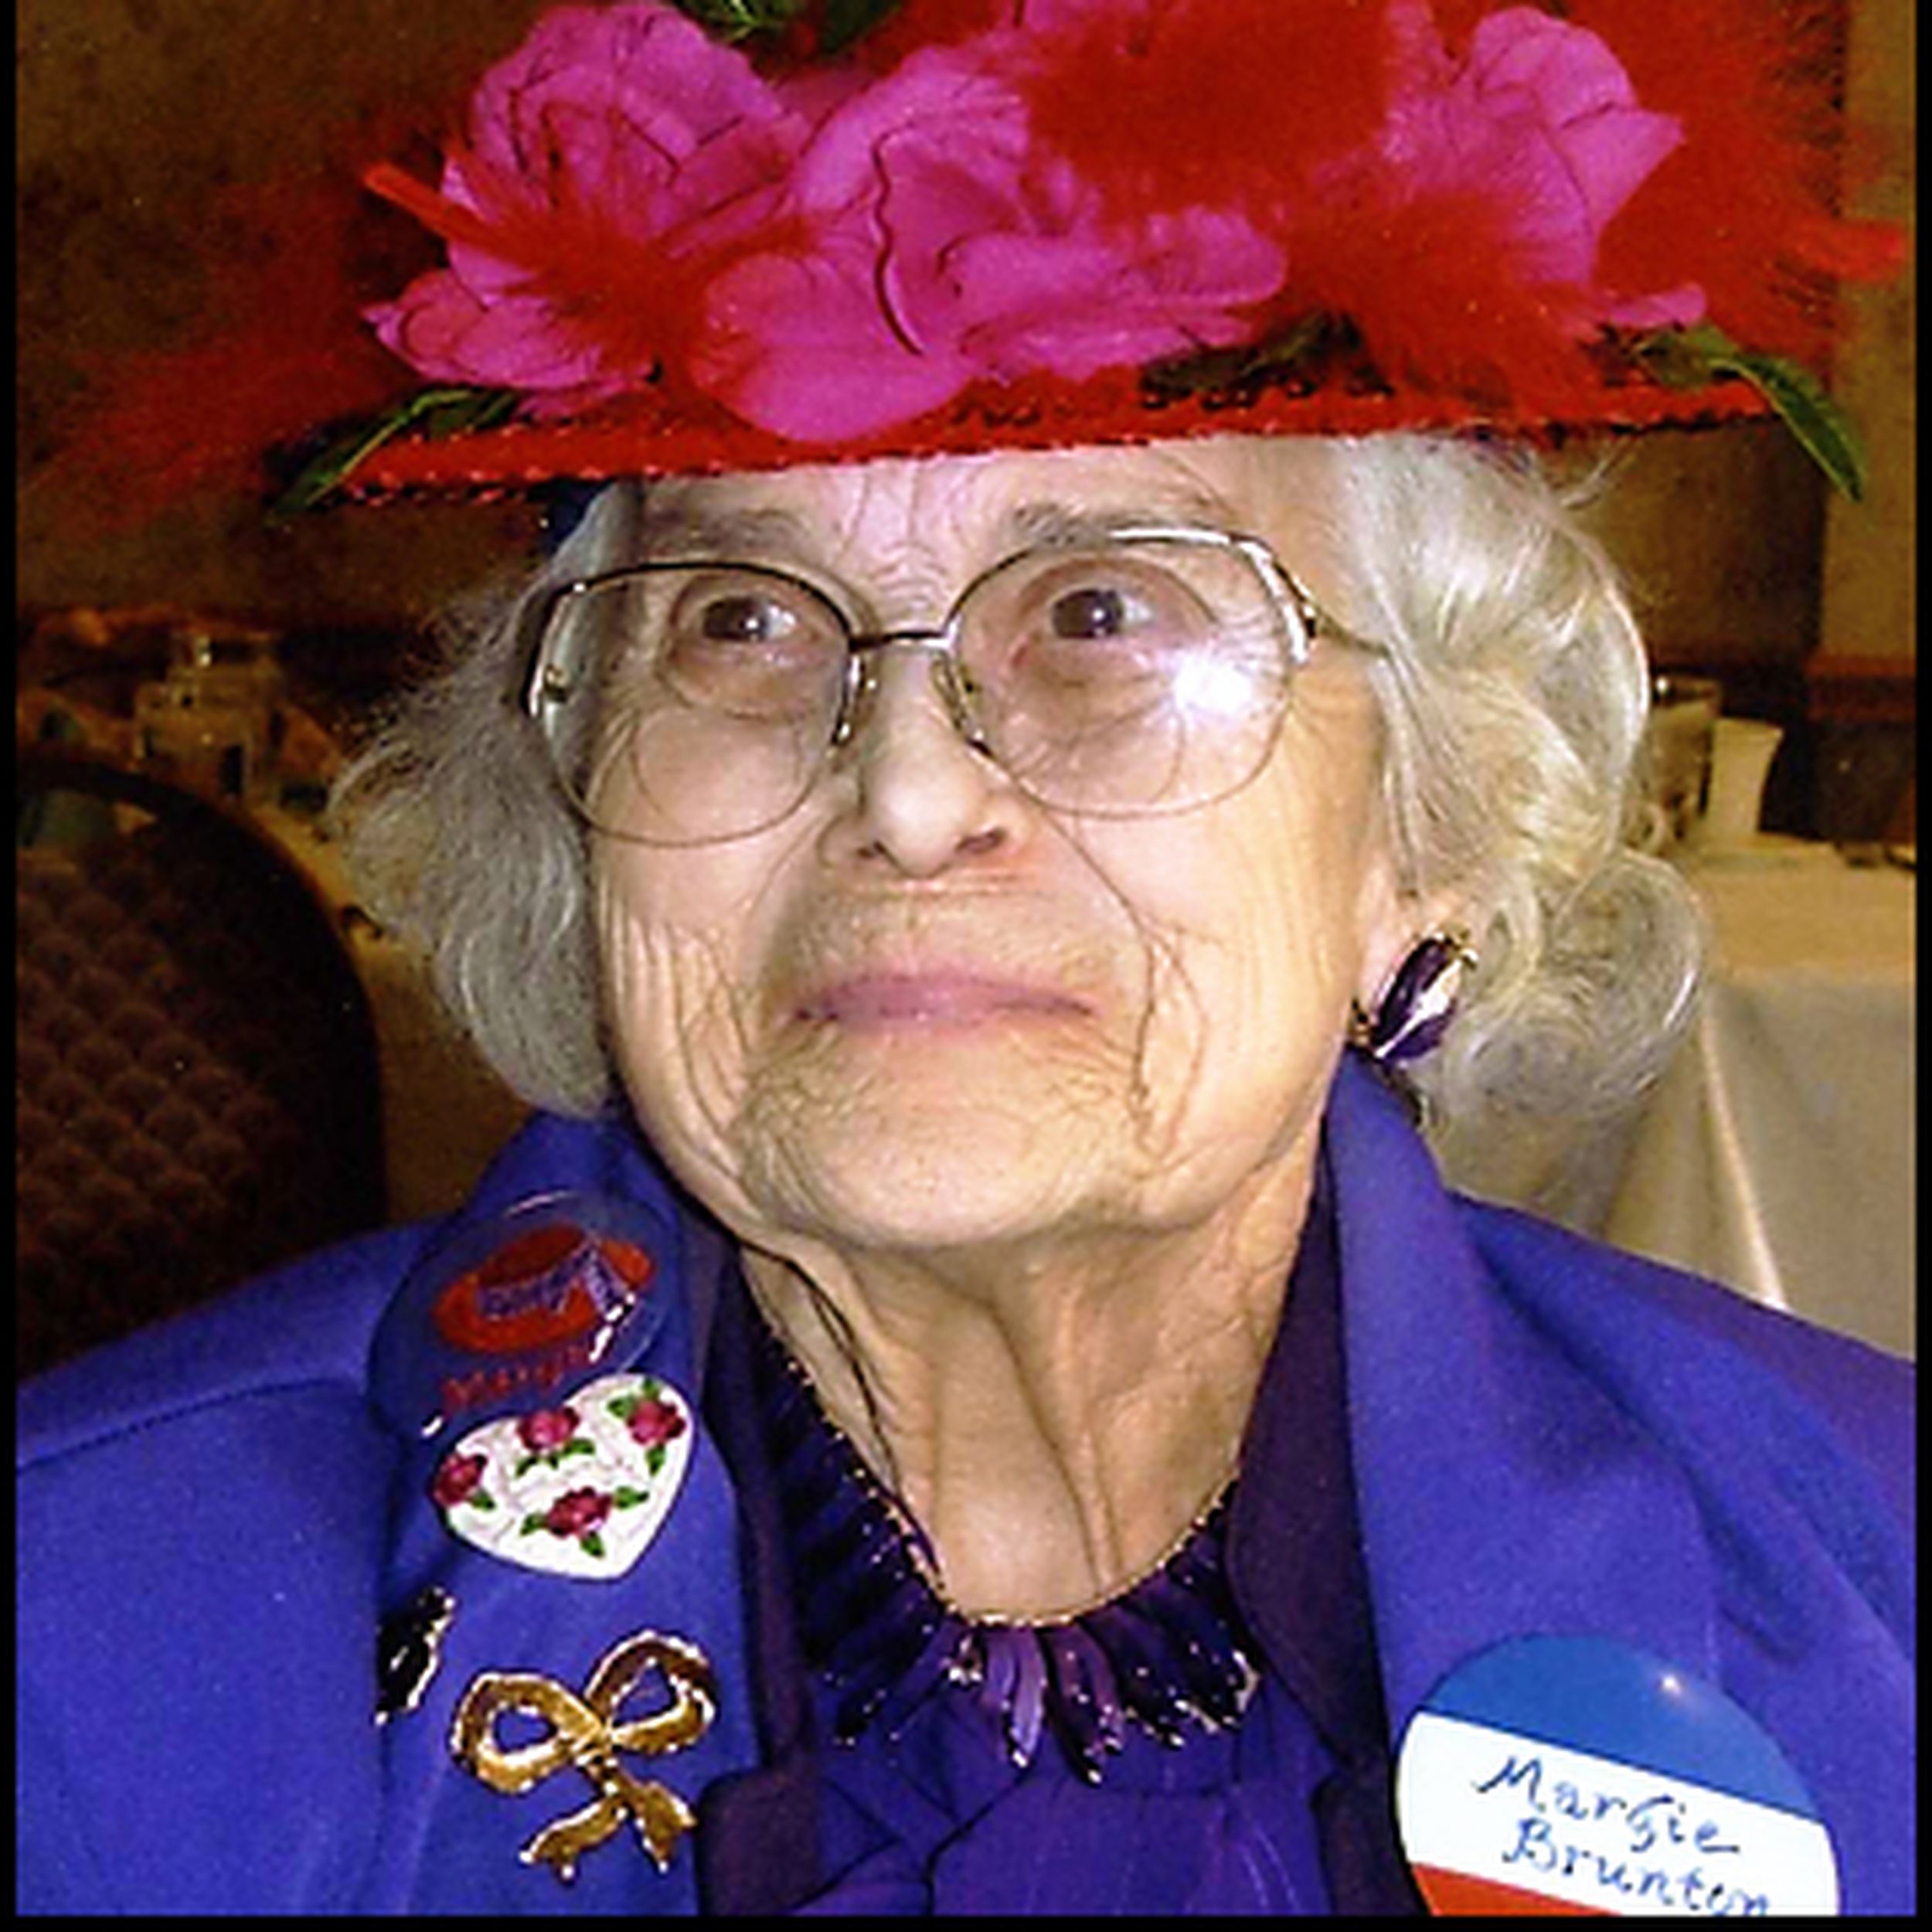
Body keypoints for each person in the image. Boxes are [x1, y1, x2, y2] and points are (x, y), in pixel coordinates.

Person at [17, 0, 1911, 1914]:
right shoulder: (77, 1649)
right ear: (575, 795)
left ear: (1433, 824)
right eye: (739, 621)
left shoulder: (1875, 1593)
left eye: (1100, 611)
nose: (911, 793)